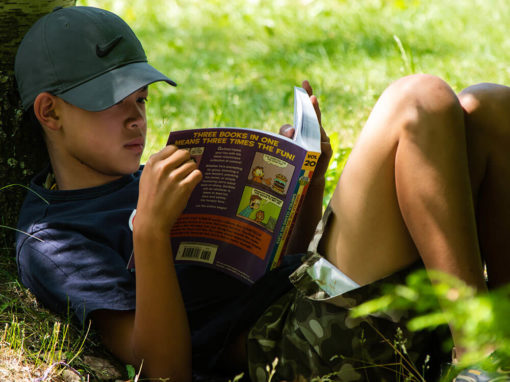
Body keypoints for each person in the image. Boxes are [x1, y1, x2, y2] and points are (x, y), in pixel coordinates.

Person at [13, 5, 510, 382]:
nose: (136, 117)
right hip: (286, 353)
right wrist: (150, 230)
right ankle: (481, 352)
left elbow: (273, 265)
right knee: (417, 99)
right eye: (110, 102)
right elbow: (163, 371)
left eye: (141, 98)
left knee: (489, 108)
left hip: (305, 301)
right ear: (50, 113)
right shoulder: (54, 238)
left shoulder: (149, 176)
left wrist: (306, 183)